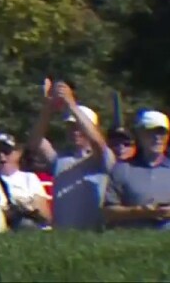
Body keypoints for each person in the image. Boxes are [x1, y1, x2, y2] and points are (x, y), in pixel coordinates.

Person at [26, 80, 114, 230]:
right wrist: (47, 108)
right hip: (63, 235)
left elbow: (98, 142)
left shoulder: (102, 157)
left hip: (93, 235)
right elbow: (35, 142)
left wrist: (71, 104)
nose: (75, 131)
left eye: (79, 127)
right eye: (70, 126)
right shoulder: (61, 159)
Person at [103, 110, 170, 231]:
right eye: (151, 132)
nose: (157, 138)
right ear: (139, 134)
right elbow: (108, 212)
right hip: (133, 243)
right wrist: (139, 211)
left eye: (162, 132)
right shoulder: (121, 169)